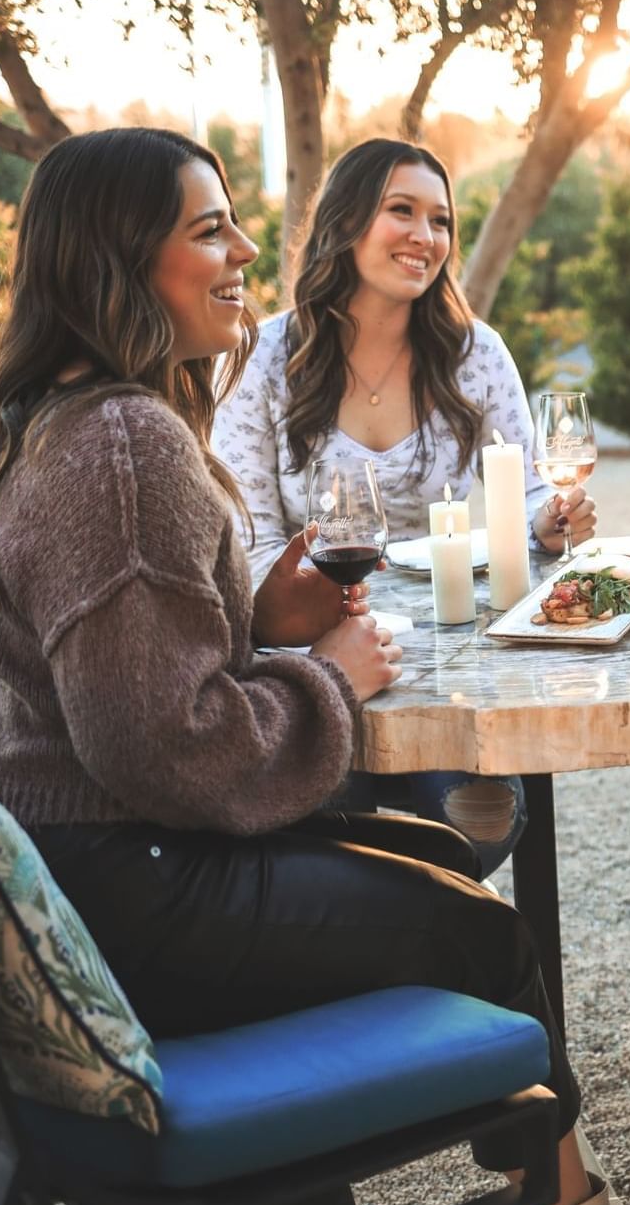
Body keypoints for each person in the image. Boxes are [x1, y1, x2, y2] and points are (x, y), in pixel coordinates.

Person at [0, 128, 606, 1205]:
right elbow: (167, 744)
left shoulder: (45, 420)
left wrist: (262, 616)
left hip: (89, 869)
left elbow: (125, 661)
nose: (246, 249)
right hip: (139, 886)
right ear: (119, 256)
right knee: (483, 929)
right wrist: (329, 677)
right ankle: (561, 1202)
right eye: (210, 228)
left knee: (434, 847)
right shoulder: (126, 441)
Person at [213, 139, 598, 876]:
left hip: (439, 652)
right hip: (305, 658)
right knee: (321, 838)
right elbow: (251, 542)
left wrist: (554, 521)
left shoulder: (475, 352)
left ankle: (423, 936)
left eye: (440, 219)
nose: (425, 236)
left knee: (486, 819)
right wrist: (320, 635)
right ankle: (387, 950)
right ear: (347, 222)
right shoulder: (262, 356)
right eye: (402, 211)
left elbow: (532, 498)